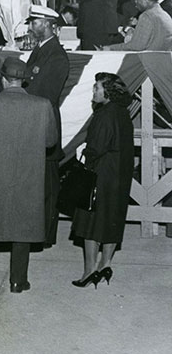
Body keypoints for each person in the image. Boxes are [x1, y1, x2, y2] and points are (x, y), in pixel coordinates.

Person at [0, 57, 57, 293]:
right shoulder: (43, 105)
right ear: (24, 81)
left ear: (2, 79)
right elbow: (51, 141)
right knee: (23, 226)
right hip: (28, 174)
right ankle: (18, 281)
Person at [71, 73, 134, 288]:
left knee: (91, 223)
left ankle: (89, 271)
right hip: (120, 175)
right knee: (112, 219)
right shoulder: (123, 113)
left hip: (101, 175)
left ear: (107, 91)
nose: (93, 92)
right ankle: (105, 264)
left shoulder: (103, 115)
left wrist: (83, 153)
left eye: (96, 87)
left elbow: (96, 148)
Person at [24, 4, 70, 246]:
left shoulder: (56, 56)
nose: (32, 26)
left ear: (52, 26)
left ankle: (44, 235)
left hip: (44, 124)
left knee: (48, 185)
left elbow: (44, 94)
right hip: (34, 122)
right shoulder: (42, 51)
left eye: (37, 22)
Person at [105, 0, 172, 51]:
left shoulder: (147, 16)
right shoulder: (164, 15)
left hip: (148, 59)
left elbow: (136, 46)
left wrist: (110, 48)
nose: (135, 2)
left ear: (146, 0)